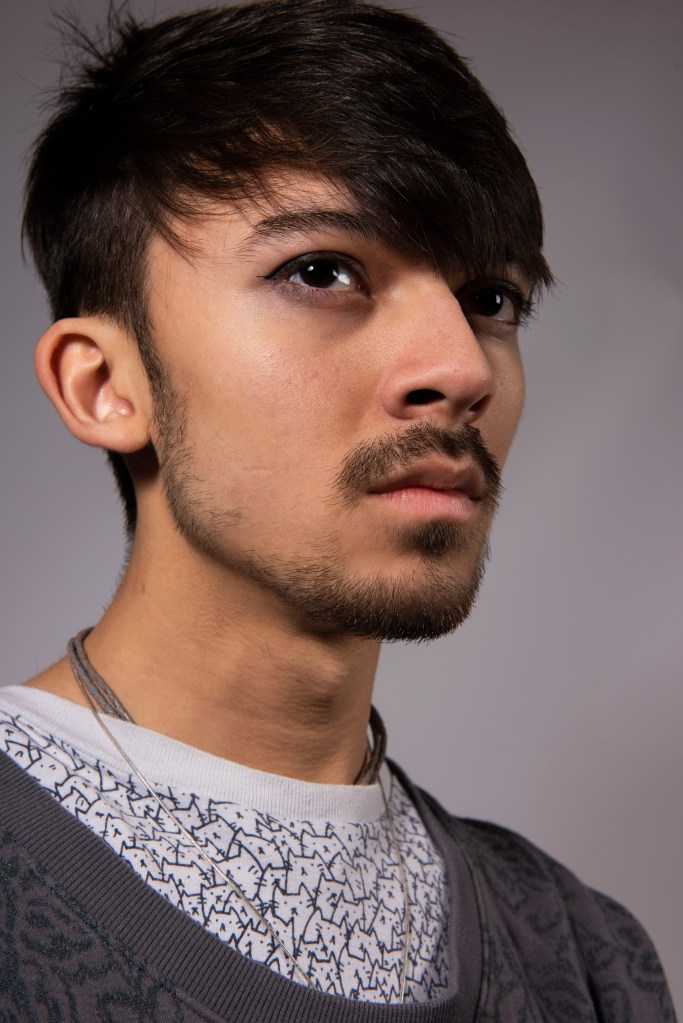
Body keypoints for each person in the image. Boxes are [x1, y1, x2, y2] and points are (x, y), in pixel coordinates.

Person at [0, 0, 675, 1018]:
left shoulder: (584, 955)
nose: (460, 368)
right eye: (320, 272)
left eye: (489, 300)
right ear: (104, 386)